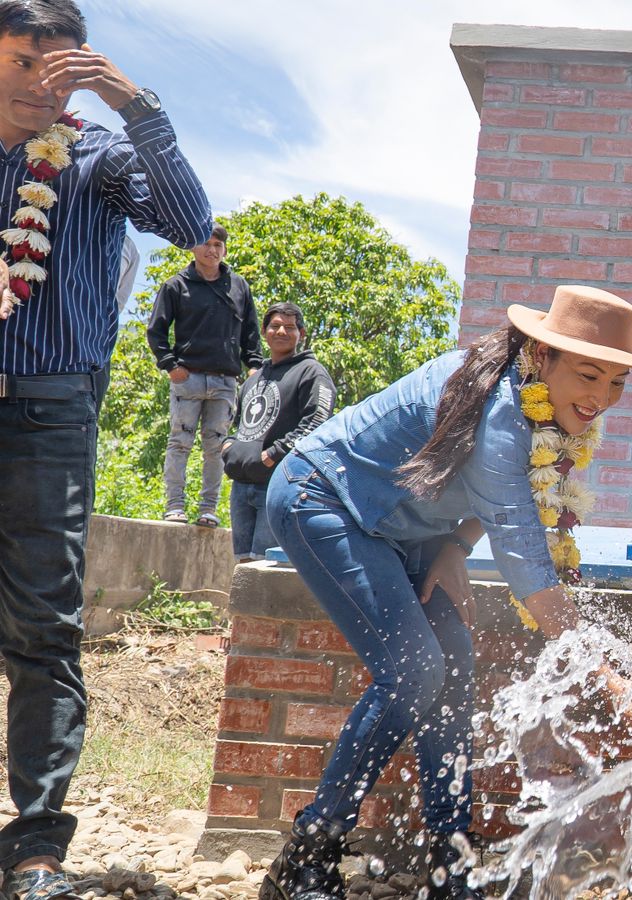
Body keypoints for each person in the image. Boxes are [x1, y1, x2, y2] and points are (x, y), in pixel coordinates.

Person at [259, 287, 632, 900]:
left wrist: (456, 544)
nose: (601, 398)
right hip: (324, 498)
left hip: (412, 529)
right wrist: (609, 678)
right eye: (588, 375)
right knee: (413, 671)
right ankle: (308, 855)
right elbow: (528, 563)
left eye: (616, 384)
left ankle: (451, 862)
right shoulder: (501, 411)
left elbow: (511, 492)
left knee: (453, 669)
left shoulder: (543, 405)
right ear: (542, 356)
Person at [0, 1, 211, 897]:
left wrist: (136, 105)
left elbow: (190, 221)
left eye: (58, 69)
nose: (37, 85)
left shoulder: (99, 156)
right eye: (21, 62)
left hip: (49, 411)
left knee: (44, 627)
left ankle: (36, 852)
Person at [147, 223, 263, 527]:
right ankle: (174, 506)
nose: (212, 250)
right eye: (206, 244)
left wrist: (254, 365)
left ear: (224, 249)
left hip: (225, 380)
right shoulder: (176, 285)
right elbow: (156, 331)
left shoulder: (238, 286)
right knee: (179, 443)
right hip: (189, 378)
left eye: (218, 245)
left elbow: (251, 331)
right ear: (193, 247)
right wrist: (171, 366)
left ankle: (208, 509)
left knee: (217, 448)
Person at [223, 302, 334, 561]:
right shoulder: (254, 378)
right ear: (264, 332)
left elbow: (317, 421)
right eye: (275, 326)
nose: (281, 331)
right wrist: (228, 447)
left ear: (301, 334)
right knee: (243, 564)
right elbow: (240, 424)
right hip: (241, 485)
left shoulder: (311, 372)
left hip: (278, 484)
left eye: (289, 327)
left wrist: (273, 455)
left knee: (267, 565)